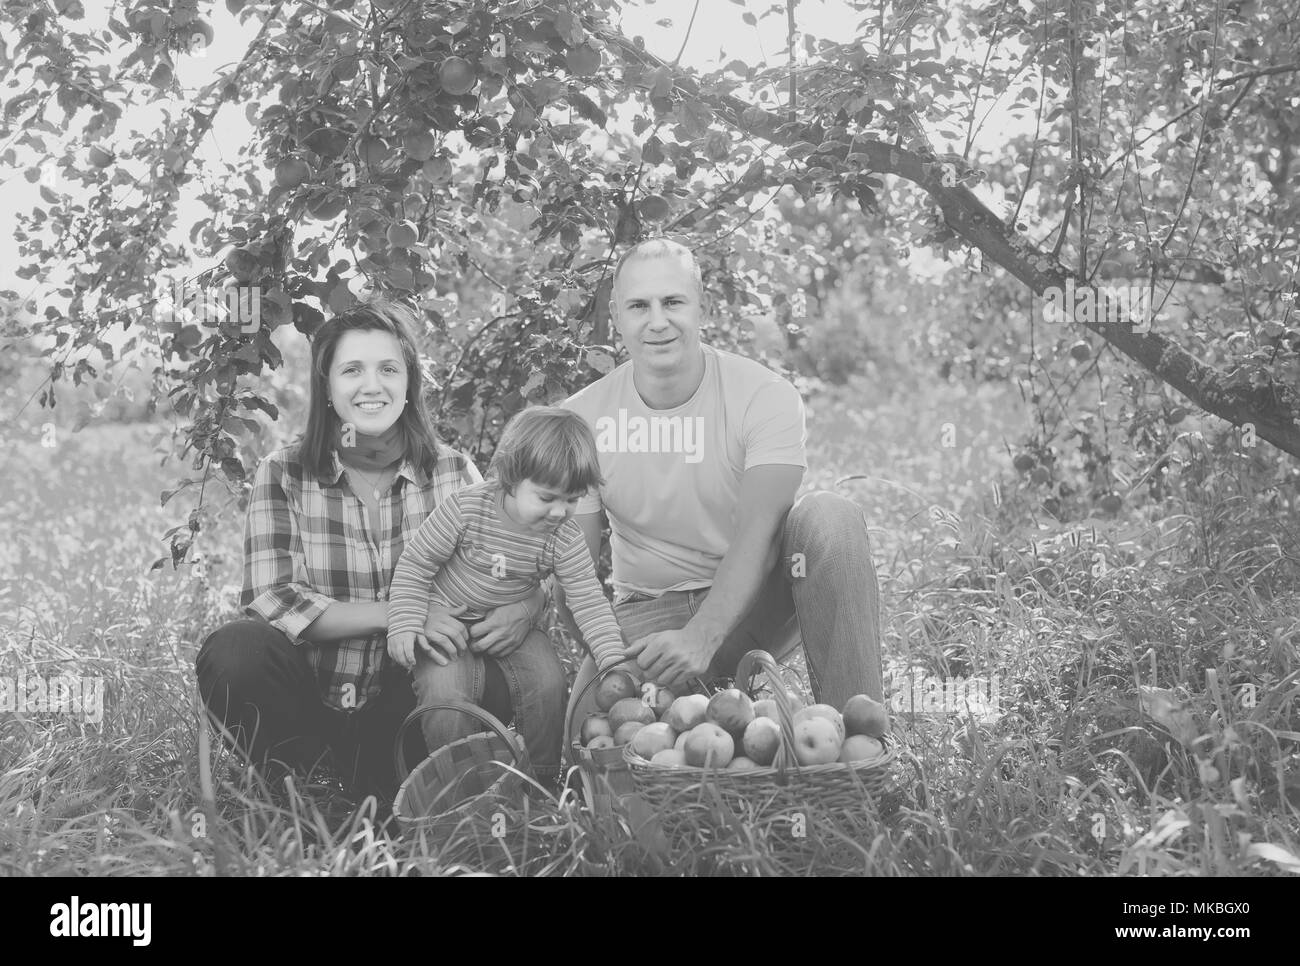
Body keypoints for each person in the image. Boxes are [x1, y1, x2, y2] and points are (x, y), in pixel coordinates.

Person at [195, 301, 562, 808]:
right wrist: (401, 614)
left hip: (409, 697)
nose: (373, 386)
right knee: (235, 649)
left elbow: (522, 569)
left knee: (479, 671)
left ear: (409, 381)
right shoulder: (283, 474)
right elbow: (273, 600)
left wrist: (522, 608)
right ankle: (306, 780)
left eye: (389, 369)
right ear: (326, 386)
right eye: (352, 370)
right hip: (313, 698)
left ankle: (408, 785)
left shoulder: (455, 475)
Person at [559, 237, 885, 730]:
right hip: (650, 612)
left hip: (755, 599)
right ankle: (716, 709)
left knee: (830, 518)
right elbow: (575, 570)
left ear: (703, 307)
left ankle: (857, 746)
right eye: (639, 306)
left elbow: (760, 532)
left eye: (673, 301)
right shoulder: (580, 419)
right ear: (617, 318)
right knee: (594, 742)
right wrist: (612, 658)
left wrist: (703, 635)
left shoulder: (764, 396)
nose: (657, 321)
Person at [387, 406, 628, 758]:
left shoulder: (563, 537)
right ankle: (458, 787)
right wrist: (405, 622)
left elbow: (589, 602)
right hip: (447, 623)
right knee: (446, 694)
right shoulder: (466, 509)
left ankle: (541, 781)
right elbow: (415, 564)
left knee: (548, 681)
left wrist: (612, 662)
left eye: (572, 500)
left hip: (510, 625)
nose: (559, 512)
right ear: (510, 478)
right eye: (547, 498)